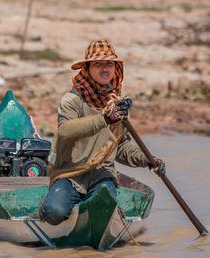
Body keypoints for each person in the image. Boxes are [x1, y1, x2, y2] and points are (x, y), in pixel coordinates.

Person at [40, 39, 166, 225]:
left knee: (104, 210)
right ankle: (48, 204)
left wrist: (147, 159)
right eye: (98, 64)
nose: (104, 69)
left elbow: (121, 147)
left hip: (102, 175)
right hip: (70, 174)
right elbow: (66, 131)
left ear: (115, 68)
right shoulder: (72, 100)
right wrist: (105, 119)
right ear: (87, 68)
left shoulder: (116, 103)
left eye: (109, 64)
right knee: (54, 212)